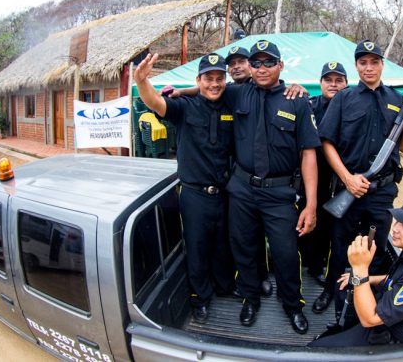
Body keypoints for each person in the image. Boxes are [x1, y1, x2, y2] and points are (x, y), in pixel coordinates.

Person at [313, 40, 403, 319]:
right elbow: (326, 143)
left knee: (375, 249)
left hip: (381, 192)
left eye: (374, 62)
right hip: (349, 188)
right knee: (339, 248)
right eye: (363, 62)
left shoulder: (398, 100)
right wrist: (347, 179)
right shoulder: (343, 98)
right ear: (357, 65)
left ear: (382, 65)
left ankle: (365, 302)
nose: (369, 67)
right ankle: (330, 291)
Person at [223, 40, 320, 334]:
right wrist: (173, 92)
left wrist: (311, 205)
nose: (262, 68)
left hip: (279, 194)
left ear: (281, 65)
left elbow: (308, 154)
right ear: (250, 67)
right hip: (242, 188)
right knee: (245, 249)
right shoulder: (237, 93)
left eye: (269, 63)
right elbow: (206, 89)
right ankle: (250, 298)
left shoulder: (297, 100)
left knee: (286, 253)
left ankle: (292, 304)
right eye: (256, 63)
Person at [134, 52, 235, 323]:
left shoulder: (230, 104)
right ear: (198, 80)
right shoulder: (184, 107)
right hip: (194, 195)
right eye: (208, 79)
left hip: (224, 193)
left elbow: (252, 85)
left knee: (223, 245)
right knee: (198, 248)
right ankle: (200, 299)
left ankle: (225, 287)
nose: (214, 84)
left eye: (219, 78)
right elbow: (154, 101)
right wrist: (142, 81)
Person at [309, 195, 403, 346]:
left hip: (390, 338)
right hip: (385, 318)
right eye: (398, 221)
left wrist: (360, 269)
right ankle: (343, 328)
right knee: (345, 285)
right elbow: (394, 280)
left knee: (315, 349)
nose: (395, 228)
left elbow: (370, 319)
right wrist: (367, 278)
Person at [225, 45, 274, 298]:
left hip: (261, 178)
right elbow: (203, 88)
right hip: (231, 178)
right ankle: (245, 281)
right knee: (238, 236)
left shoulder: (273, 91)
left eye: (241, 61)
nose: (236, 67)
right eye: (231, 63)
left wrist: (294, 86)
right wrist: (180, 90)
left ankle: (262, 275)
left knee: (258, 234)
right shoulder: (229, 92)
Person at [298, 62, 348, 292]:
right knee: (304, 220)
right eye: (329, 80)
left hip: (338, 178)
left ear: (346, 83)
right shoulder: (309, 104)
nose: (333, 85)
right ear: (321, 83)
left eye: (339, 80)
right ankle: (301, 263)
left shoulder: (351, 105)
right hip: (309, 175)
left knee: (329, 227)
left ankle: (319, 267)